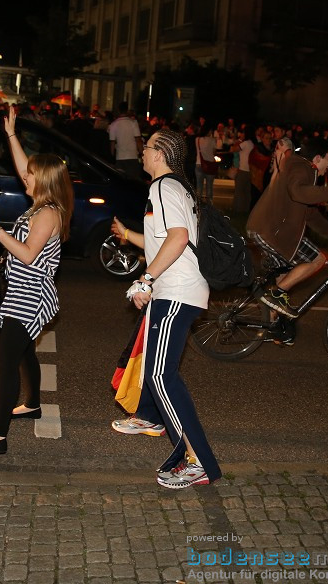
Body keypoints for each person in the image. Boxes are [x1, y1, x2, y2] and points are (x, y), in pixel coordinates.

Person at [108, 129, 220, 489]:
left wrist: (145, 279)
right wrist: (128, 236)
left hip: (176, 293)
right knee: (160, 374)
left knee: (160, 376)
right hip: (176, 292)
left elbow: (178, 239)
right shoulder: (176, 189)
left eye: (148, 147)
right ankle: (153, 417)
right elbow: (165, 240)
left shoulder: (162, 188)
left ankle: (198, 460)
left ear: (160, 155)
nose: (142, 151)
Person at [0, 105, 73, 455]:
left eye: (31, 175)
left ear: (43, 181)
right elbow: (24, 165)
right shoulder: (43, 204)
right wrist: (12, 134)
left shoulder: (47, 214)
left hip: (29, 296)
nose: (24, 176)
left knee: (7, 362)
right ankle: (33, 404)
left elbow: (28, 254)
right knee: (25, 350)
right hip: (24, 290)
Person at [246, 137, 328, 330]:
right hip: (272, 231)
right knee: (317, 260)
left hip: (266, 228)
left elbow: (310, 215)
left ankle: (275, 327)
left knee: (286, 277)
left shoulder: (302, 169)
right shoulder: (302, 167)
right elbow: (297, 192)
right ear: (318, 158)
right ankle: (275, 295)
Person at [108, 102, 144, 179]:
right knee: (134, 181)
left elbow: (112, 143)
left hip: (119, 157)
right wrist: (142, 153)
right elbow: (138, 140)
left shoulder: (113, 124)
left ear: (118, 110)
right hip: (132, 156)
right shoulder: (133, 123)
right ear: (127, 110)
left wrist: (112, 157)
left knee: (120, 182)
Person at [195, 126, 217, 203]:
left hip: (199, 163)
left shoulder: (197, 139)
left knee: (199, 186)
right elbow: (214, 152)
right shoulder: (213, 140)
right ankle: (209, 204)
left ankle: (198, 204)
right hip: (210, 164)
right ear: (208, 131)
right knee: (209, 186)